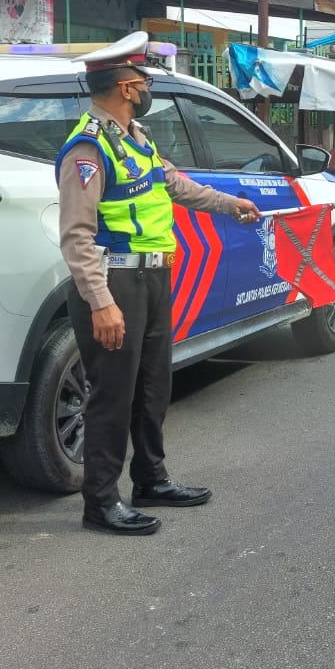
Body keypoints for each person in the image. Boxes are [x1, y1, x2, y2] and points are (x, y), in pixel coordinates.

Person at [57, 45, 262, 536]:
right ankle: (101, 502)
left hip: (152, 277)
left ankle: (150, 478)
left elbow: (175, 186)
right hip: (116, 281)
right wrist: (101, 302)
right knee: (113, 394)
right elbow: (76, 236)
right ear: (127, 87)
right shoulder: (88, 149)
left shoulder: (136, 138)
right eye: (144, 82)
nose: (148, 89)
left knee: (153, 387)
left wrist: (231, 203)